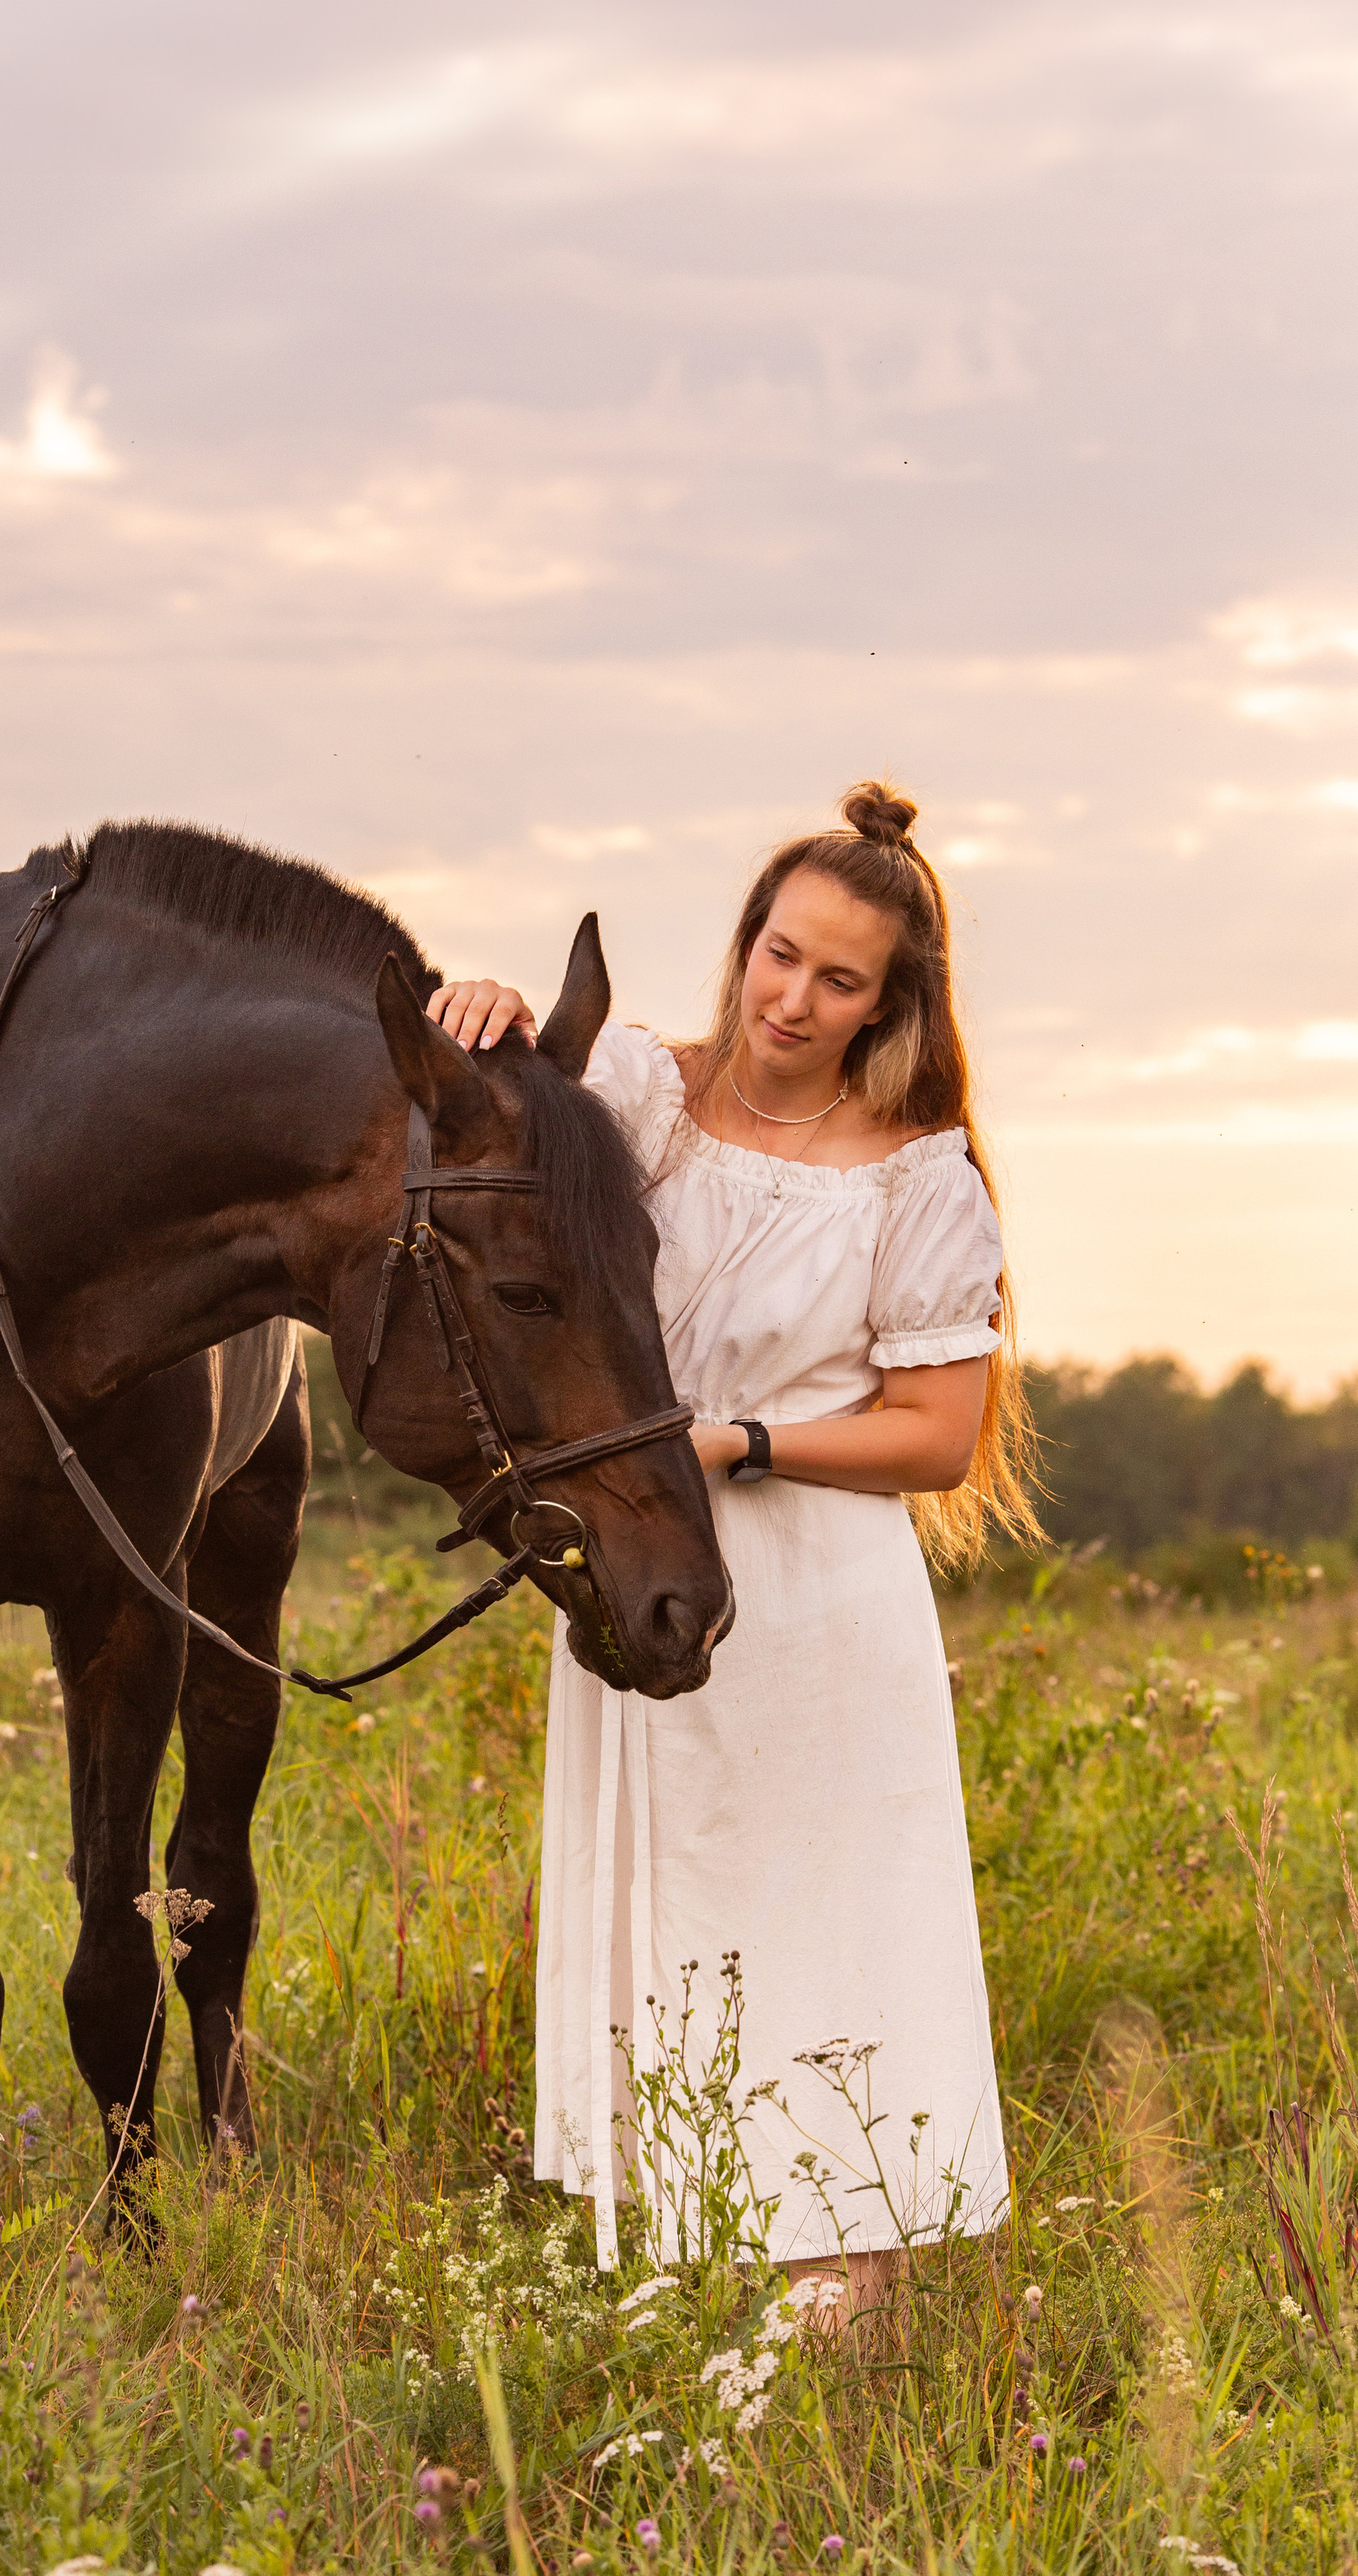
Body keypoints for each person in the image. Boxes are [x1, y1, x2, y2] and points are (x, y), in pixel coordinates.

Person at [426, 780, 1041, 2322]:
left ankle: (839, 2282)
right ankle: (680, 2259)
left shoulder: (916, 1174)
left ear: (890, 1001)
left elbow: (935, 1436)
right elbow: (497, 1152)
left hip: (821, 1604)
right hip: (644, 1579)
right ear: (743, 940)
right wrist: (484, 1019)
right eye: (777, 953)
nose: (791, 997)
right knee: (667, 1915)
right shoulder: (635, 1090)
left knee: (824, 1921)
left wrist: (737, 1444)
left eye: (838, 979)